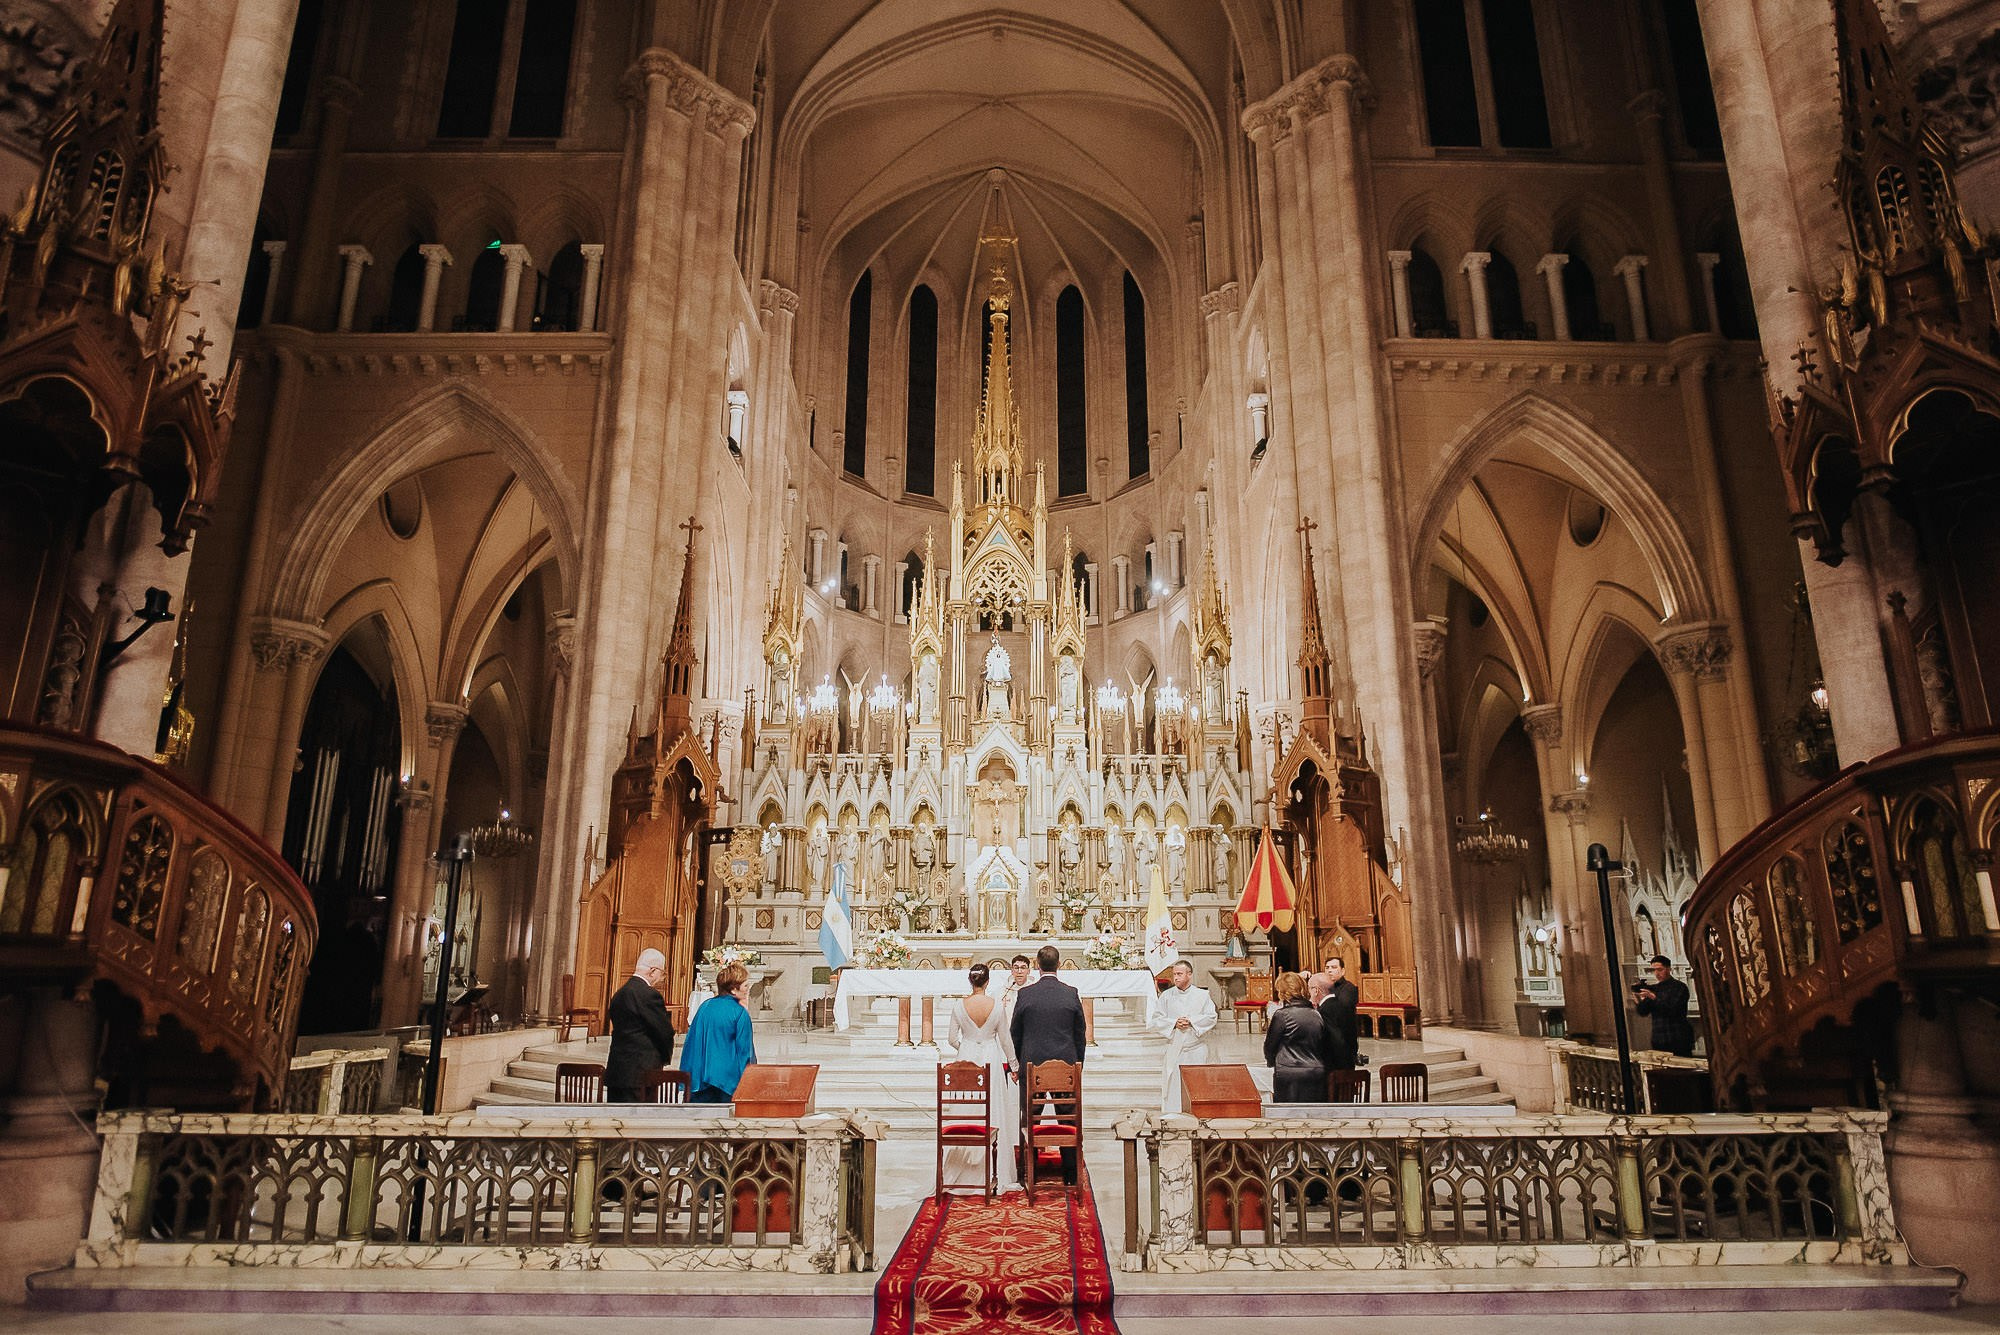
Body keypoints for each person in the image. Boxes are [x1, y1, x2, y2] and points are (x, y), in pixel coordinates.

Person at [1010, 944, 1087, 1184]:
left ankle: (1029, 1171)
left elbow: (1015, 1032)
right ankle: (1070, 1174)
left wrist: (1017, 1064)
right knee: (1068, 1117)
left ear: (1036, 965)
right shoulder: (1070, 993)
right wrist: (1078, 1065)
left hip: (1032, 1065)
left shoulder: (1026, 994)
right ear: (1059, 965)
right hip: (1065, 1066)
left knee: (1030, 1117)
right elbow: (1080, 1033)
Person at [944, 963, 1021, 1193]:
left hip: (965, 1056)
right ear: (987, 982)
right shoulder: (996, 1005)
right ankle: (995, 1171)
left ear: (971, 981)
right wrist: (1014, 1066)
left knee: (966, 1108)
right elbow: (1005, 1040)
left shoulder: (959, 1005)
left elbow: (951, 1038)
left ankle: (965, 1166)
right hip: (991, 1058)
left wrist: (965, 1048)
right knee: (992, 1109)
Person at [604, 948, 676, 1102]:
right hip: (641, 1074)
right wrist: (665, 1058)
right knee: (640, 1115)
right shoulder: (649, 995)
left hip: (617, 1071)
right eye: (662, 973)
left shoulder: (619, 994)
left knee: (616, 1115)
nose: (661, 979)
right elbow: (664, 1032)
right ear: (652, 971)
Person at [681, 962, 757, 1102]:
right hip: (727, 1082)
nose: (747, 989)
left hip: (700, 1078)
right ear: (733, 989)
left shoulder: (705, 1007)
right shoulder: (739, 1013)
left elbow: (691, 1043)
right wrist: (749, 1082)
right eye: (746, 986)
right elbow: (745, 1051)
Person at [1151, 960, 1217, 1113]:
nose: (1176, 977)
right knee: (1173, 1084)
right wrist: (1174, 1023)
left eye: (1179, 974)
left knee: (1198, 1084)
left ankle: (1197, 1114)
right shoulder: (1166, 996)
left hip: (1196, 1048)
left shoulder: (1202, 995)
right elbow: (1156, 1020)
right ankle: (1173, 1114)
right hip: (1175, 1048)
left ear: (1189, 974)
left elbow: (1212, 1017)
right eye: (1174, 974)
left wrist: (1192, 1021)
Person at [1264, 971, 1335, 1103]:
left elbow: (1270, 1046)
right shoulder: (1316, 1014)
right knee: (1313, 1113)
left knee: (1289, 1113)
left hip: (1289, 1072)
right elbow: (1324, 1045)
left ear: (1283, 992)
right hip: (1316, 1071)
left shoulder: (1282, 1015)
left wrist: (1272, 1062)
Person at [1634, 954, 1696, 1056]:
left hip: (1678, 1037)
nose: (1656, 973)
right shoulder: (1655, 988)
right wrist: (1639, 1000)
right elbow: (1643, 1012)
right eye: (1654, 970)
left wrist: (1653, 997)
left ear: (1668, 969)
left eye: (1660, 969)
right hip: (1659, 1038)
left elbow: (1673, 1009)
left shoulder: (1679, 987)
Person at [1318, 956, 1360, 1072]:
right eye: (1327, 968)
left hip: (1344, 1042)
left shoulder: (1348, 988)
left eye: (1334, 967)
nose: (1329, 970)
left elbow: (1342, 1012)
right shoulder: (1324, 989)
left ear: (1342, 971)